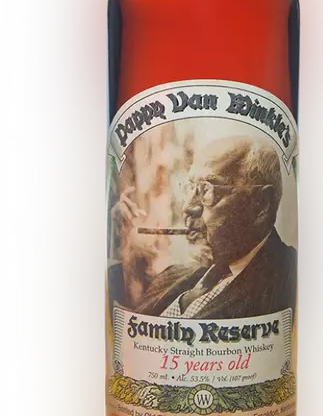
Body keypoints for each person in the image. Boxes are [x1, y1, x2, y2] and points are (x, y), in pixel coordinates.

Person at [108, 135, 297, 320]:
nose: (188, 207)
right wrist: (124, 244)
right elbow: (124, 306)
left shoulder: (287, 279)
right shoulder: (179, 274)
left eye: (207, 190)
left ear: (261, 204)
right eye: (191, 188)